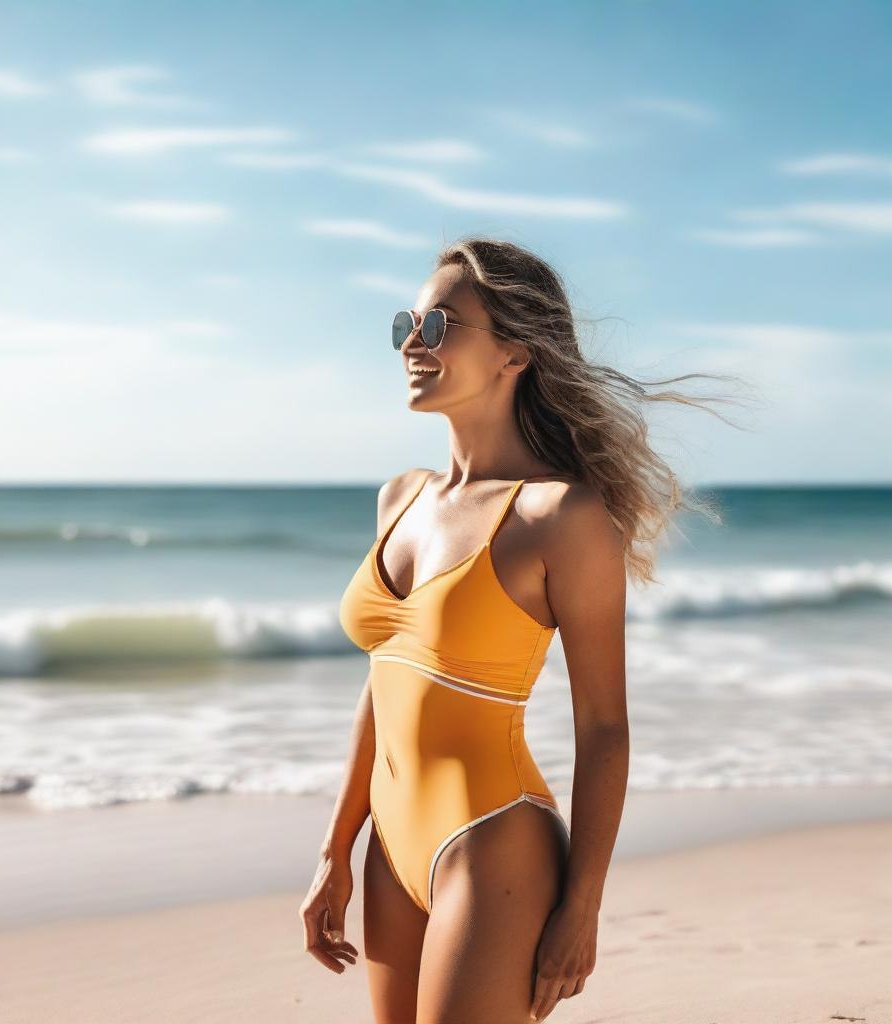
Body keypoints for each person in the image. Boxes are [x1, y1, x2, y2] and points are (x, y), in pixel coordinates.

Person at [300, 236, 735, 1023]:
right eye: (408, 323)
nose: (412, 342)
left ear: (515, 354)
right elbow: (386, 676)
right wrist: (338, 846)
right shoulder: (400, 496)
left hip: (494, 841)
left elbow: (605, 727)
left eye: (439, 326)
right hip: (389, 850)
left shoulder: (560, 516)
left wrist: (582, 907)